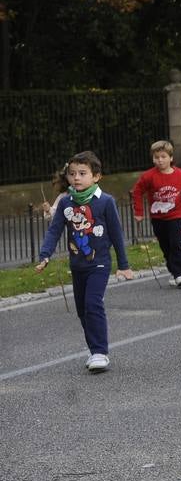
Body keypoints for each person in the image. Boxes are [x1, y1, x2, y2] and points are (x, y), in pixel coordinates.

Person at [36, 152, 133, 372]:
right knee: (82, 310)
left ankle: (100, 352)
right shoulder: (65, 203)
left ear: (96, 176)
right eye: (72, 174)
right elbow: (54, 231)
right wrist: (45, 255)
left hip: (99, 263)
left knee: (92, 304)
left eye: (82, 173)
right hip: (77, 265)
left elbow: (117, 235)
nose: (76, 178)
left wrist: (124, 265)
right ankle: (94, 350)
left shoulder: (106, 202)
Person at [131, 139, 181, 287]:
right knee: (166, 246)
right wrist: (139, 212)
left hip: (177, 216)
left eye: (163, 157)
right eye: (156, 157)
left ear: (171, 158)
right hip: (158, 218)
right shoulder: (149, 176)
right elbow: (137, 191)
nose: (160, 160)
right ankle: (174, 271)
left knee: (177, 244)